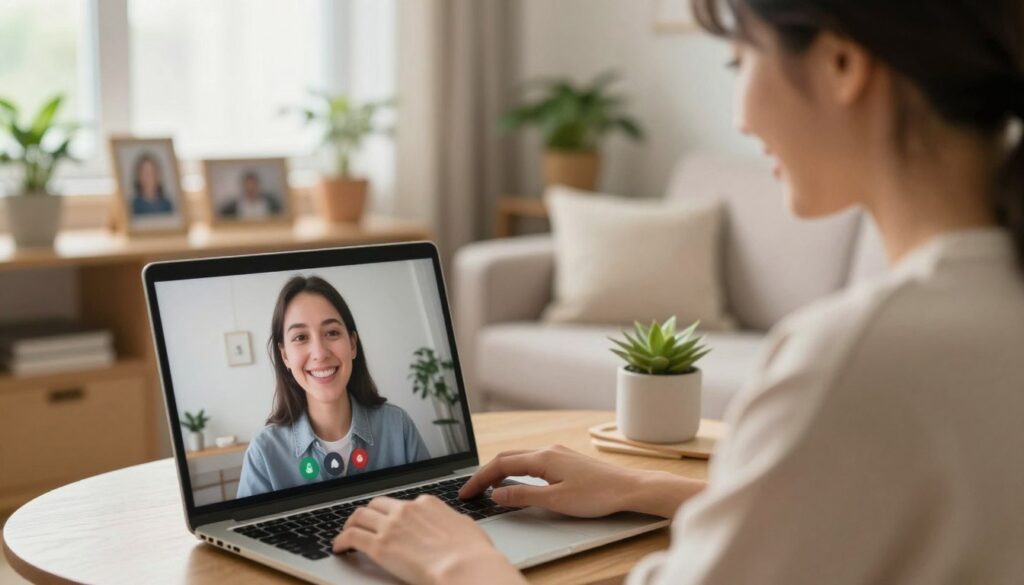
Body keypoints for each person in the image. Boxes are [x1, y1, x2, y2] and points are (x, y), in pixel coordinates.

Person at [328, 1, 1024, 583]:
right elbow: (858, 502)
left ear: (843, 64)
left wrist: (458, 560)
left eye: (739, 61)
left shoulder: (854, 358)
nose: (742, 117)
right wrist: (640, 487)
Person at [237, 276, 430, 498]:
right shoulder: (264, 452)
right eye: (300, 337)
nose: (320, 353)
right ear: (285, 356)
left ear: (353, 344)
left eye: (332, 333)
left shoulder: (398, 426)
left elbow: (430, 515)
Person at [218, 170, 283, 220]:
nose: (251, 189)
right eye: (248, 187)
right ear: (243, 187)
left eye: (253, 186)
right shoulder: (231, 206)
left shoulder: (272, 203)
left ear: (258, 185)